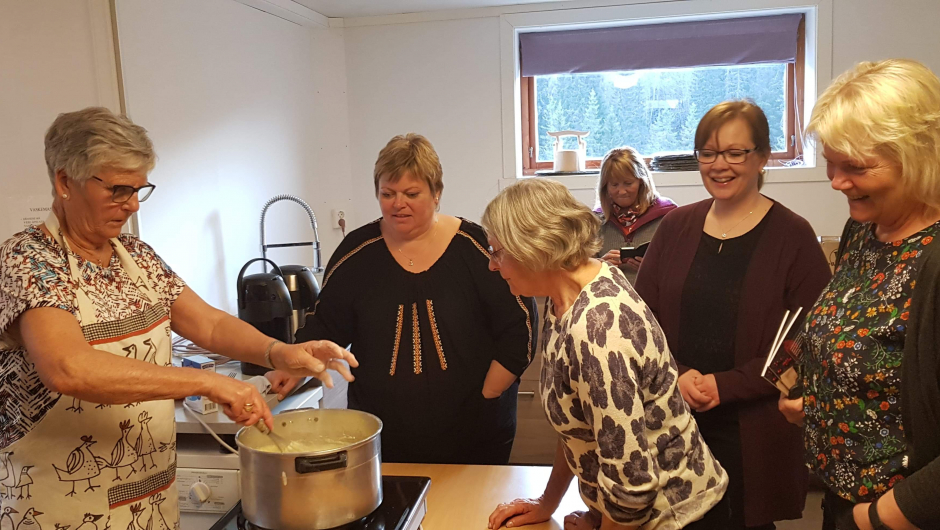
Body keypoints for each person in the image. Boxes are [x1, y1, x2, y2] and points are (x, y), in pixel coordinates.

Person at [0, 107, 356, 526]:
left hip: (148, 500)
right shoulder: (28, 260)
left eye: (139, 189)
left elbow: (208, 324)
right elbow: (68, 368)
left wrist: (280, 352)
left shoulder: (137, 256)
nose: (131, 205)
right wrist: (208, 382)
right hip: (61, 507)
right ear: (64, 182)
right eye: (118, 189)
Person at [485, 178, 728, 530]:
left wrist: (604, 525)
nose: (493, 265)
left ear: (533, 248)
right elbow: (582, 432)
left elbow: (632, 486)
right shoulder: (569, 296)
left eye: (498, 252)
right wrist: (547, 503)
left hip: (673, 518)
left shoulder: (597, 331)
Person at [634, 101, 831, 530]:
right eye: (708, 152)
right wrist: (679, 374)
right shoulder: (675, 228)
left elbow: (808, 339)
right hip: (674, 421)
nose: (719, 165)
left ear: (762, 157)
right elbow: (640, 325)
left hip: (753, 430)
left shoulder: (792, 236)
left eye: (735, 153)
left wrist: (727, 386)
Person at [293, 133, 536, 465]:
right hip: (383, 436)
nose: (398, 203)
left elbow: (520, 326)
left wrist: (488, 395)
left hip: (475, 433)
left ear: (437, 194)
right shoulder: (356, 253)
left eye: (411, 193)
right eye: (387, 193)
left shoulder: (475, 248)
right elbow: (326, 328)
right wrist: (289, 363)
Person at [778, 59, 940, 530]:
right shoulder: (863, 231)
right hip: (842, 501)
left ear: (920, 155)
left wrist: (876, 518)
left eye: (856, 167)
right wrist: (825, 402)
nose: (835, 182)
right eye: (831, 163)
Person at [595, 147, 677, 284]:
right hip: (609, 301)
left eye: (628, 183)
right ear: (605, 187)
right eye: (614, 185)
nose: (621, 191)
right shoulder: (596, 221)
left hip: (652, 300)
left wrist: (654, 269)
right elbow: (582, 271)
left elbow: (682, 268)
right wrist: (599, 266)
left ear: (641, 182)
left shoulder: (668, 216)